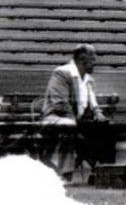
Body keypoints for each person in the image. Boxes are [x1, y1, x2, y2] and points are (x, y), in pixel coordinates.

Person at [41, 43, 114, 183]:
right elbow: (60, 103)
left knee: (107, 129)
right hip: (54, 118)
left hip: (77, 120)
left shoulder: (89, 79)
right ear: (81, 59)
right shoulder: (61, 73)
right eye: (92, 59)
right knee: (69, 126)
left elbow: (92, 103)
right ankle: (65, 175)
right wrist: (75, 122)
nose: (95, 63)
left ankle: (101, 171)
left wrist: (97, 113)